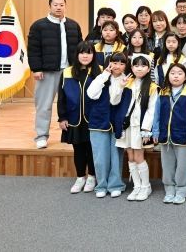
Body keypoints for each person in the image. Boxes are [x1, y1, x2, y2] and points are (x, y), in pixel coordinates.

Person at [28, 0, 83, 149]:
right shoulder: (39, 25)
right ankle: (41, 136)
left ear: (65, 6)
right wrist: (36, 68)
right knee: (44, 105)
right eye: (55, 5)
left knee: (72, 104)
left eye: (61, 5)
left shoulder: (73, 25)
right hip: (47, 72)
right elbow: (33, 49)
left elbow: (80, 48)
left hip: (69, 72)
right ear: (50, 6)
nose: (59, 7)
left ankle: (73, 136)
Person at [151, 63, 186, 204]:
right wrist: (155, 131)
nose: (176, 76)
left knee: (183, 166)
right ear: (168, 76)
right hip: (165, 135)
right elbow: (157, 114)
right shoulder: (163, 92)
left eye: (179, 73)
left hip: (182, 135)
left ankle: (182, 190)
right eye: (172, 73)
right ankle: (169, 189)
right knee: (167, 165)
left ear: (185, 77)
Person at [112, 54, 158, 201]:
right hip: (126, 125)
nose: (139, 68)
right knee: (130, 156)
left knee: (138, 156)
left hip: (140, 127)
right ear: (131, 67)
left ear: (148, 68)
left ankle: (146, 186)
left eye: (143, 65)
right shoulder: (127, 82)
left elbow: (152, 110)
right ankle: (137, 186)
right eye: (136, 65)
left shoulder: (152, 87)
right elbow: (114, 101)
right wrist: (121, 86)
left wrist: (146, 129)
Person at [57, 41, 98, 194]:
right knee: (78, 150)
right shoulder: (67, 72)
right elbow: (61, 97)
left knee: (92, 149)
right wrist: (62, 117)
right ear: (77, 55)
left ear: (93, 55)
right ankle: (80, 177)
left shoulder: (99, 71)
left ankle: (92, 177)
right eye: (82, 52)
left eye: (89, 52)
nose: (85, 56)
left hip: (93, 119)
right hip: (74, 119)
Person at [86, 53, 129, 198]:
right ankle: (101, 185)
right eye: (114, 63)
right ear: (109, 63)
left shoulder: (127, 80)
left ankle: (115, 185)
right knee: (100, 157)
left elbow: (115, 101)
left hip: (117, 123)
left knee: (116, 156)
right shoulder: (101, 78)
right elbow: (91, 94)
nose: (118, 66)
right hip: (98, 122)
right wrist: (105, 75)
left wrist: (121, 86)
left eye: (121, 63)